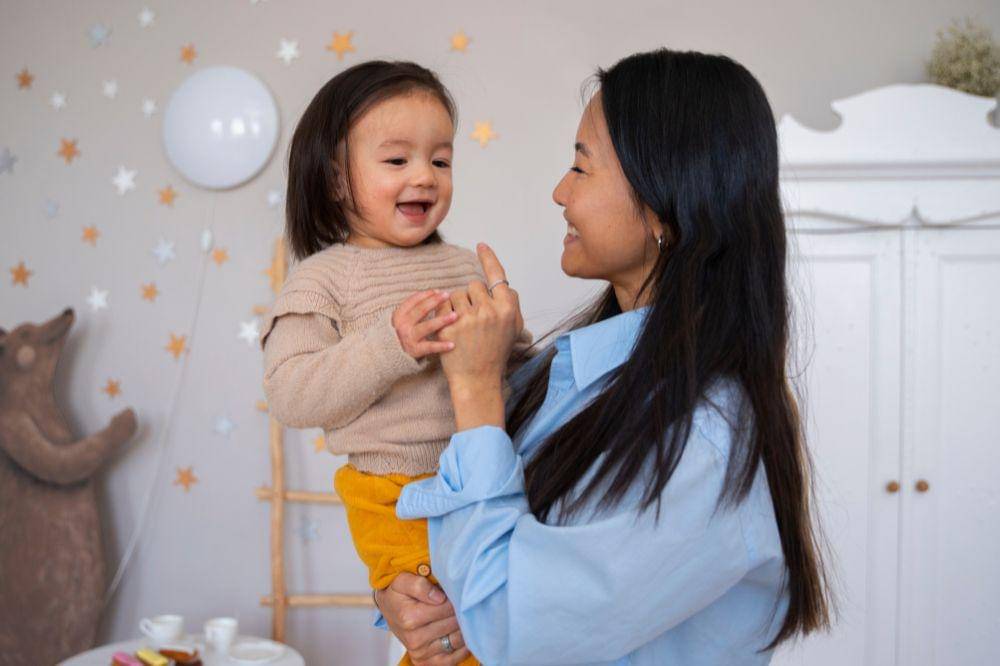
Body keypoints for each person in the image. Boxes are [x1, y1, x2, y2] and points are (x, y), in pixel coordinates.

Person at [374, 48, 833, 665]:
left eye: (581, 167)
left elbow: (516, 631)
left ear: (661, 202)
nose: (560, 191)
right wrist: (401, 596)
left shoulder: (706, 439)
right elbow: (460, 544)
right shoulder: (560, 373)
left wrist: (476, 395)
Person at [259, 60, 534, 666]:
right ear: (336, 178)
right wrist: (390, 345)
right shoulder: (323, 278)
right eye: (396, 160)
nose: (425, 177)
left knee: (494, 623)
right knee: (443, 626)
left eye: (440, 160)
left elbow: (515, 376)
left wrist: (513, 335)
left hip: (487, 480)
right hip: (395, 492)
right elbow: (289, 394)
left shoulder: (464, 265)